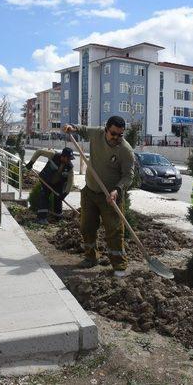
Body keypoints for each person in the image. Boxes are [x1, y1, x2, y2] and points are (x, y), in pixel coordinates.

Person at [62, 116, 135, 277]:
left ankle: (119, 265)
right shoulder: (97, 134)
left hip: (111, 197)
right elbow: (81, 129)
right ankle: (91, 257)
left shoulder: (125, 150)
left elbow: (128, 176)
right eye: (113, 134)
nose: (116, 138)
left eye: (120, 135)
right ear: (106, 129)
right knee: (87, 227)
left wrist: (117, 189)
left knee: (114, 231)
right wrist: (71, 127)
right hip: (90, 191)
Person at [25, 147, 75, 225]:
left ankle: (57, 218)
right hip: (46, 180)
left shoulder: (70, 167)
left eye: (70, 159)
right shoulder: (53, 155)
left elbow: (70, 182)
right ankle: (41, 218)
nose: (69, 160)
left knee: (58, 199)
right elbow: (39, 151)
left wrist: (65, 194)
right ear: (63, 156)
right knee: (44, 196)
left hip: (58, 184)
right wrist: (31, 163)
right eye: (68, 158)